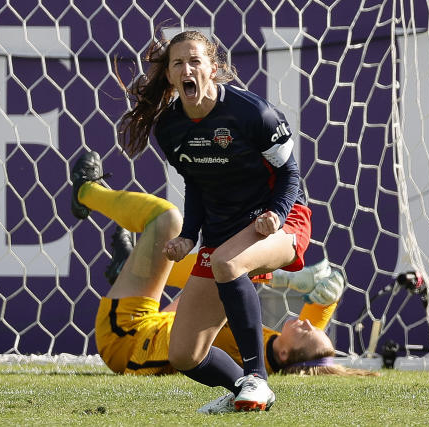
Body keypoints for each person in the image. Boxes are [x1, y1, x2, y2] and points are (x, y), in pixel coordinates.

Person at [71, 152, 377, 414]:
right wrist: (326, 301)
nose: (311, 325)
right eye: (315, 327)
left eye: (310, 333)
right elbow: (309, 344)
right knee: (219, 269)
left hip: (127, 336)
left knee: (167, 219)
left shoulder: (251, 356)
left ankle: (85, 192)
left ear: (285, 356)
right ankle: (130, 265)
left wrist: (282, 277)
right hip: (151, 326)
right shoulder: (272, 346)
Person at [116, 29, 308, 411]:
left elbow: (290, 174)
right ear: (170, 76)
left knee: (226, 261)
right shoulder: (170, 128)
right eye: (178, 63)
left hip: (282, 221)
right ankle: (242, 388)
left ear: (213, 68)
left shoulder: (254, 113)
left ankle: (257, 379)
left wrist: (276, 214)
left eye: (195, 61)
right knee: (184, 354)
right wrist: (189, 235)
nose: (187, 69)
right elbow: (197, 181)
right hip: (223, 232)